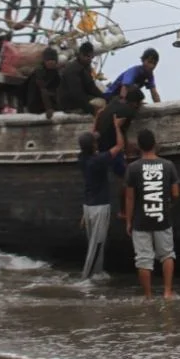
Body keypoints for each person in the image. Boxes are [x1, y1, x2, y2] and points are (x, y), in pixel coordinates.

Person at [123, 129, 180, 300]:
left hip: (141, 221)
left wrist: (128, 221)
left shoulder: (133, 168)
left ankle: (148, 296)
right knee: (167, 254)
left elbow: (129, 198)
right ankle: (167, 292)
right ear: (154, 144)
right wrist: (169, 205)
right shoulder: (168, 165)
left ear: (139, 146)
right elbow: (176, 193)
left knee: (143, 259)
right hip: (162, 218)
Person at [77, 117, 125, 280]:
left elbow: (91, 138)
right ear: (93, 146)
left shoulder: (82, 158)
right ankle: (87, 278)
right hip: (99, 207)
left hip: (88, 206)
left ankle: (97, 273)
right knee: (97, 243)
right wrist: (117, 127)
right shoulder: (98, 160)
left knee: (94, 241)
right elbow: (119, 146)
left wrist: (98, 119)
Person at [56, 42, 107, 115]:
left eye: (90, 57)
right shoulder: (73, 69)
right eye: (86, 56)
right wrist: (91, 109)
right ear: (80, 54)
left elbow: (91, 87)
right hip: (69, 103)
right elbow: (76, 93)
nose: (89, 59)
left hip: (81, 97)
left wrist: (105, 97)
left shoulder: (86, 67)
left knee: (104, 102)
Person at [25, 47, 61, 116]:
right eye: (48, 60)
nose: (51, 62)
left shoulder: (55, 71)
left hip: (49, 101)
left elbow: (59, 87)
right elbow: (43, 90)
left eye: (53, 60)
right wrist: (48, 108)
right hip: (36, 103)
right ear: (44, 61)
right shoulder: (39, 71)